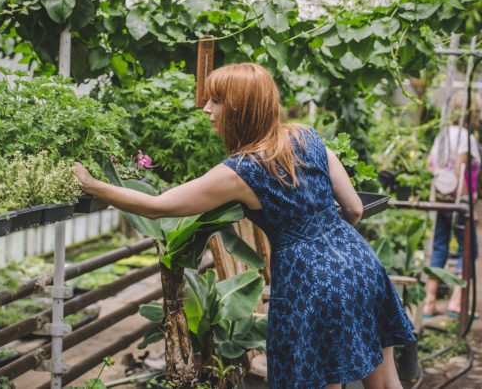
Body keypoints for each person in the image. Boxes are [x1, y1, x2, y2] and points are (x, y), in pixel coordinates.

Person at [74, 63, 415, 388]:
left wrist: (92, 184)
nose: (206, 108)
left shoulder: (242, 170)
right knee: (386, 382)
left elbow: (156, 206)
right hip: (363, 266)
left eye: (216, 101)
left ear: (241, 108)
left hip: (312, 284)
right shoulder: (307, 136)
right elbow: (354, 208)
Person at [424, 90, 481, 319]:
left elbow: (430, 165)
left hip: (441, 200)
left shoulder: (444, 134)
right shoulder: (466, 137)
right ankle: (457, 302)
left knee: (440, 247)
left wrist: (442, 182)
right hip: (460, 202)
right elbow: (461, 170)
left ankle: (429, 302)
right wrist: (468, 205)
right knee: (469, 250)